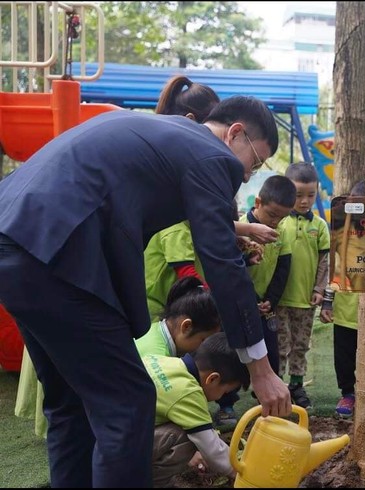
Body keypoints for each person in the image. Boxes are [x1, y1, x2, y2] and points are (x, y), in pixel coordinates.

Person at [0, 95, 291, 487]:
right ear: (235, 133)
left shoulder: (171, 134)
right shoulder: (213, 156)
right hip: (58, 256)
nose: (245, 176)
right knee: (129, 401)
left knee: (70, 401)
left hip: (16, 241)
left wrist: (231, 232)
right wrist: (261, 368)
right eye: (255, 162)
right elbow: (222, 264)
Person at [144, 75, 277, 321]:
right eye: (254, 163)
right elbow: (202, 262)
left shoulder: (183, 193)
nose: (246, 177)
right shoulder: (173, 210)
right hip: (161, 310)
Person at [144, 332, 250, 487]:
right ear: (213, 379)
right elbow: (212, 450)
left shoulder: (167, 361)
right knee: (186, 438)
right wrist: (241, 474)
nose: (221, 397)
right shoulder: (189, 392)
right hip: (120, 448)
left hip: (102, 433)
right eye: (226, 392)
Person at [228, 174, 296, 416]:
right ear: (258, 203)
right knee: (231, 354)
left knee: (270, 354)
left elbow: (283, 268)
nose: (276, 222)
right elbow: (231, 269)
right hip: (240, 304)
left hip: (266, 306)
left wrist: (271, 301)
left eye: (283, 217)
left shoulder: (283, 231)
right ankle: (227, 404)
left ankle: (269, 405)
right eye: (272, 215)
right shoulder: (238, 228)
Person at [276, 163, 330, 410]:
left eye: (311, 195)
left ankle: (296, 385)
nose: (305, 201)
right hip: (279, 299)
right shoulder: (278, 222)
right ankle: (276, 384)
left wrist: (319, 289)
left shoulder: (319, 226)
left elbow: (324, 261)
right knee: (279, 345)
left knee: (301, 344)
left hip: (306, 300)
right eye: (298, 195)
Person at [320, 180, 365, 419]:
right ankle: (348, 393)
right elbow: (333, 269)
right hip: (346, 311)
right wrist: (328, 301)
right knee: (345, 355)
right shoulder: (339, 234)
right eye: (355, 206)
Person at [136, 276, 221, 357]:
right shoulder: (159, 359)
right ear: (186, 326)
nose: (207, 349)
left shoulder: (153, 329)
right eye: (203, 341)